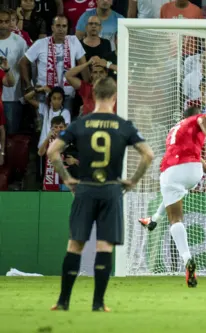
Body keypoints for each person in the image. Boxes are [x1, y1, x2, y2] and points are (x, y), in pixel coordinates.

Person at [47, 77, 154, 312]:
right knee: (104, 246)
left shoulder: (80, 124)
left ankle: (63, 301)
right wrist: (133, 181)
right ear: (114, 97)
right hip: (111, 190)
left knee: (75, 245)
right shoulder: (123, 125)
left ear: (93, 95)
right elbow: (148, 155)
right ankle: (98, 304)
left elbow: (53, 152)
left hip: (84, 189)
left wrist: (67, 178)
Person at [137, 105, 206, 287]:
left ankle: (187, 259)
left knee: (175, 218)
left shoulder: (173, 132)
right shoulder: (197, 119)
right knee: (172, 194)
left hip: (172, 170)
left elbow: (201, 125)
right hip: (193, 171)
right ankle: (153, 219)